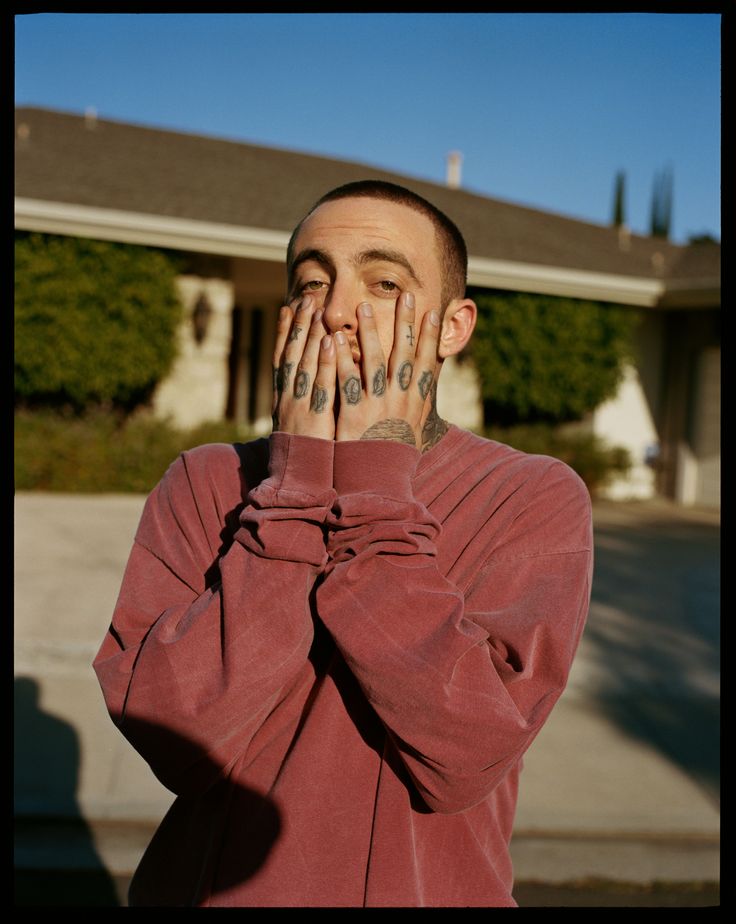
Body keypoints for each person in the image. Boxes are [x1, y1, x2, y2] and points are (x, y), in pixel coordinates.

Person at [93, 180, 593, 908]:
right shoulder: (206, 479)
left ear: (453, 327)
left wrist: (375, 482)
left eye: (383, 281)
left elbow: (465, 752)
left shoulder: (532, 495)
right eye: (310, 282)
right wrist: (293, 493)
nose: (333, 309)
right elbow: (173, 734)